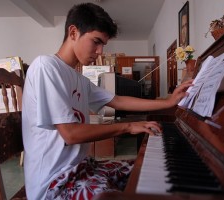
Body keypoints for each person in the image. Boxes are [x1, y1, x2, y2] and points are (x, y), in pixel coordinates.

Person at [22, 3, 193, 200]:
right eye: (96, 42)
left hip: (84, 168)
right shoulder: (46, 67)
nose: (100, 51)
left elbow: (118, 100)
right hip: (54, 184)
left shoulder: (79, 79)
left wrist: (169, 102)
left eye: (103, 44)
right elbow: (70, 134)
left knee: (152, 171)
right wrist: (128, 126)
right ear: (73, 32)